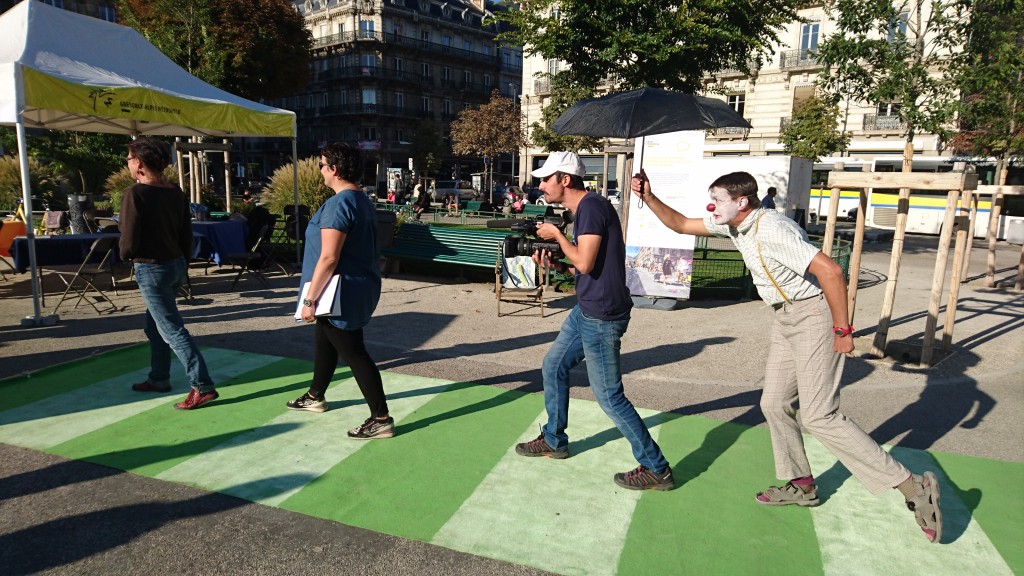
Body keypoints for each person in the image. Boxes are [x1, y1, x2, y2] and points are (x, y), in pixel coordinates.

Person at [630, 170, 943, 542]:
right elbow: (681, 224)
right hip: (785, 316)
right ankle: (802, 485)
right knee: (774, 403)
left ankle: (912, 487)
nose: (711, 207)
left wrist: (842, 330)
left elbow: (831, 271)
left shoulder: (773, 228)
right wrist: (648, 196)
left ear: (742, 202)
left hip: (814, 314)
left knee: (819, 415)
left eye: (718, 199)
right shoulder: (734, 225)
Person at [514, 152, 674, 491]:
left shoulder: (591, 208)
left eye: (546, 179)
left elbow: (585, 263)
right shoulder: (586, 209)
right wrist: (556, 266)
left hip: (602, 316)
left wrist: (557, 237)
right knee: (553, 366)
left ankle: (656, 467)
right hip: (587, 309)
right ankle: (554, 439)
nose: (541, 186)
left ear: (565, 180)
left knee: (610, 397)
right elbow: (584, 267)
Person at [290, 142, 393, 440]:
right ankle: (315, 395)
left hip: (338, 291)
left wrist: (309, 300)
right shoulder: (360, 199)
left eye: (322, 165)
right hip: (351, 286)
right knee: (325, 339)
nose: (320, 170)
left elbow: (328, 257)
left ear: (334, 169)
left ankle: (381, 418)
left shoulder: (339, 204)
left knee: (354, 352)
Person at [120, 138, 218, 410]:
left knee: (171, 329)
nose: (127, 164)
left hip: (151, 266)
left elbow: (128, 236)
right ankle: (159, 377)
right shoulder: (175, 192)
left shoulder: (135, 194)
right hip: (174, 264)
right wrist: (183, 261)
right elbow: (186, 232)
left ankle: (202, 385)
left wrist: (125, 256)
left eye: (129, 159)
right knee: (156, 326)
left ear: (139, 163)